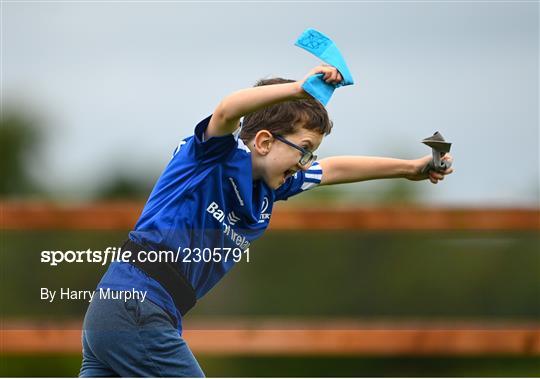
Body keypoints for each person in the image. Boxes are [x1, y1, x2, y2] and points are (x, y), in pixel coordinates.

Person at [79, 64, 453, 377]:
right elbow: (227, 110)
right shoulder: (214, 155)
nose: (305, 163)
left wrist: (410, 168)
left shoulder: (269, 186)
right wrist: (298, 88)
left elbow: (335, 169)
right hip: (136, 307)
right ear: (262, 142)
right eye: (304, 150)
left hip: (133, 312)